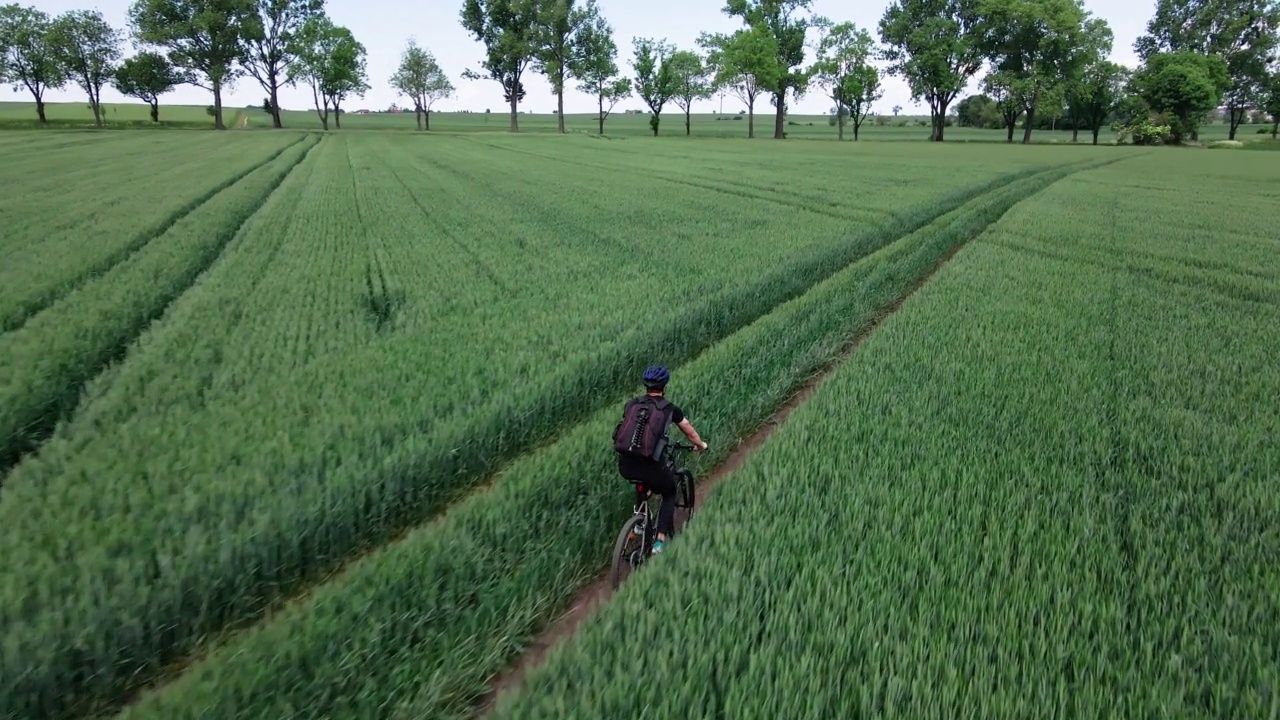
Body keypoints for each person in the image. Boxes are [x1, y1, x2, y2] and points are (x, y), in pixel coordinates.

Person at [615, 365, 707, 553]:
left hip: (626, 465)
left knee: (642, 482)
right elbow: (688, 430)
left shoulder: (632, 405)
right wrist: (700, 445)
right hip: (651, 466)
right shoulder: (669, 409)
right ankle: (659, 541)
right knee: (669, 493)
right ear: (664, 387)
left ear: (646, 386)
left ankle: (639, 523)